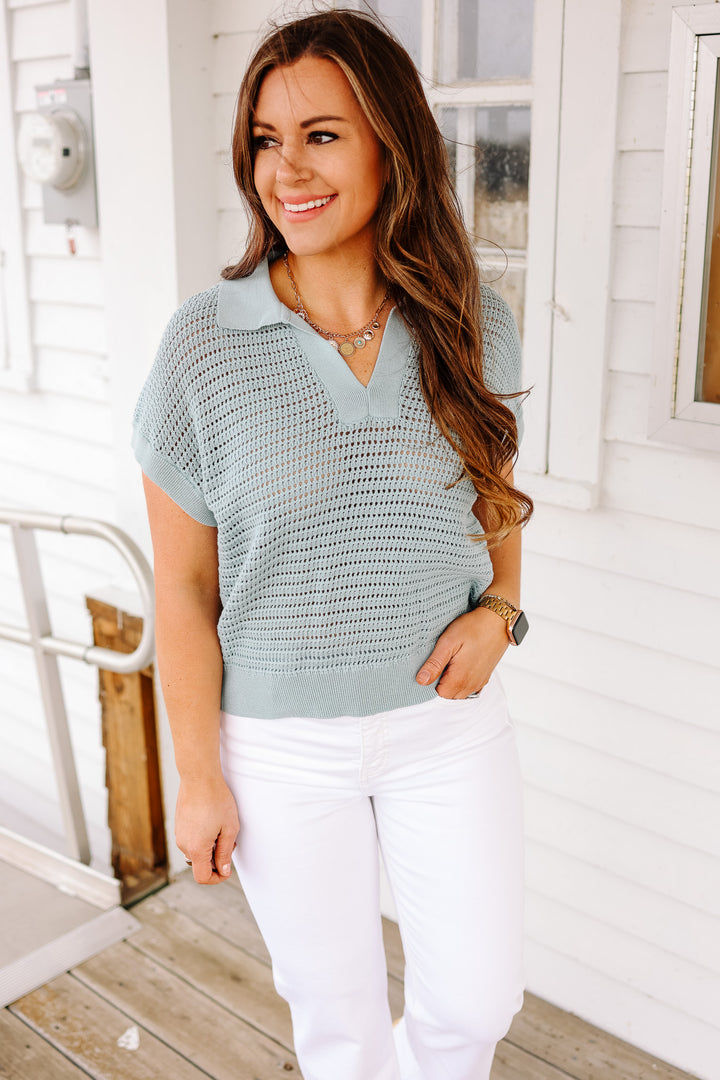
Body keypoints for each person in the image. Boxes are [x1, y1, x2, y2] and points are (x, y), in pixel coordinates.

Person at [132, 9, 533, 1080]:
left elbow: (496, 500)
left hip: (445, 726)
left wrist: (503, 610)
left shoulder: (471, 322)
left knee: (477, 1000)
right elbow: (182, 588)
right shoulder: (203, 346)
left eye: (321, 135)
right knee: (338, 1024)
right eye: (267, 140)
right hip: (279, 748)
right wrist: (199, 777)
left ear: (391, 146)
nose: (287, 170)